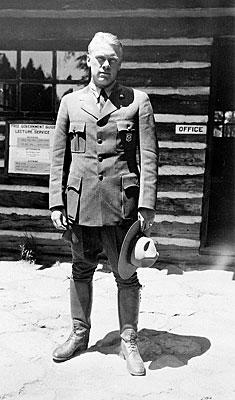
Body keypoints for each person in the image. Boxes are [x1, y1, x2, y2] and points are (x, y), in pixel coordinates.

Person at [49, 32, 158, 376]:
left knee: (126, 275)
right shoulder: (70, 102)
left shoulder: (137, 101)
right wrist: (56, 203)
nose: (105, 65)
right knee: (80, 270)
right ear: (88, 60)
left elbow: (150, 157)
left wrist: (147, 205)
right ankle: (80, 334)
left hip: (121, 207)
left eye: (112, 59)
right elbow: (57, 159)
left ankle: (128, 341)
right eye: (99, 58)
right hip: (79, 207)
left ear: (119, 63)